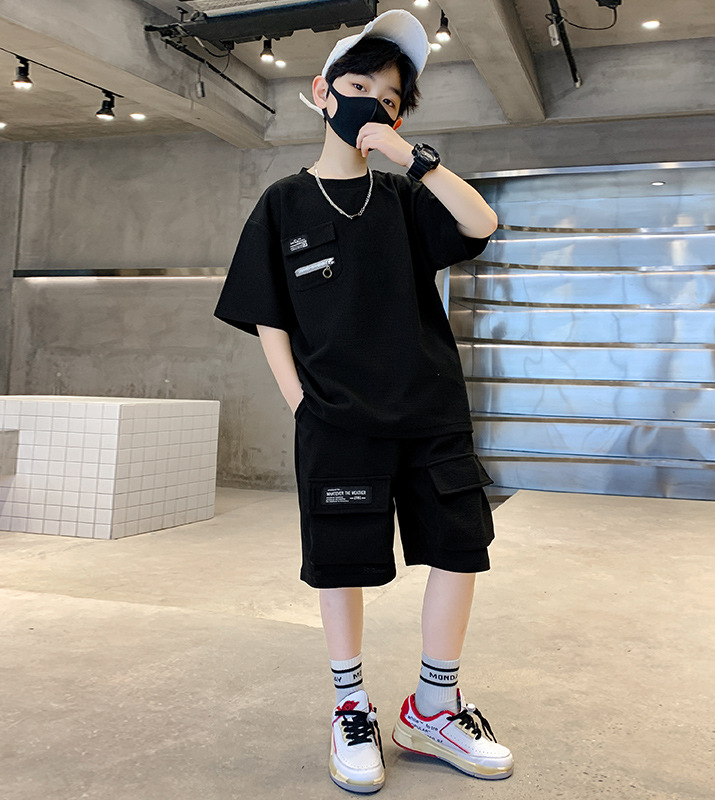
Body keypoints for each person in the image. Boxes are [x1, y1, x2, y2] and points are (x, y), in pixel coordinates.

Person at [213, 8, 513, 794]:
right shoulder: (283, 203)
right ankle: (351, 706)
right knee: (339, 562)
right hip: (337, 419)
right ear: (321, 92)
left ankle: (434, 709)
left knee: (459, 548)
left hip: (430, 409)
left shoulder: (407, 196)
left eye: (388, 98)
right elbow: (268, 315)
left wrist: (416, 160)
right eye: (356, 88)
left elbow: (482, 221)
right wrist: (300, 404)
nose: (371, 105)